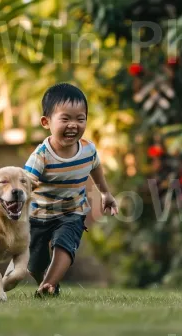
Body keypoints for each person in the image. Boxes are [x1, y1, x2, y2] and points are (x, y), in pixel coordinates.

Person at [24, 83, 119, 297]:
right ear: (46, 122)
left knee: (65, 244)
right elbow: (26, 181)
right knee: (34, 263)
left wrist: (105, 193)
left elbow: (95, 167)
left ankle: (48, 284)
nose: (73, 125)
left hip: (72, 212)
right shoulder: (41, 155)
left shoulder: (88, 150)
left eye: (80, 119)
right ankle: (48, 283)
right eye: (65, 119)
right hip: (39, 215)